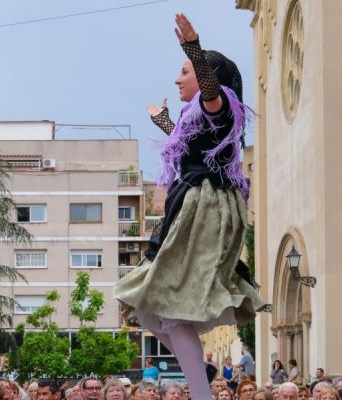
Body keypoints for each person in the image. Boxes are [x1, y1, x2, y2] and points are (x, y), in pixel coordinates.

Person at [113, 12, 268, 400]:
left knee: (171, 306)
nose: (178, 78)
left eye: (185, 71)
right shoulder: (200, 120)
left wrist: (194, 49)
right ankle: (200, 373)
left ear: (205, 76)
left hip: (205, 211)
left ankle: (201, 392)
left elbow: (211, 95)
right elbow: (191, 147)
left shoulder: (220, 106)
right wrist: (165, 122)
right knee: (152, 310)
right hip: (191, 207)